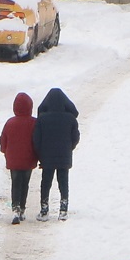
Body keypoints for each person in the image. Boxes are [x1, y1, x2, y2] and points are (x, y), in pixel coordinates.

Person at [31, 87, 80, 221]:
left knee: (46, 182)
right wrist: (69, 148)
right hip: (64, 156)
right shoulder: (70, 119)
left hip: (47, 157)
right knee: (63, 182)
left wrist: (40, 153)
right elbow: (75, 137)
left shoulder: (42, 119)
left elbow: (36, 139)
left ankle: (44, 209)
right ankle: (63, 209)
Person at [0, 91, 39, 224]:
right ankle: (22, 208)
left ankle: (15, 207)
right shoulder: (34, 123)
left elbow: (3, 139)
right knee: (25, 183)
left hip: (13, 159)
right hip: (28, 158)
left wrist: (4, 150)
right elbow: (37, 141)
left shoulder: (10, 123)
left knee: (15, 183)